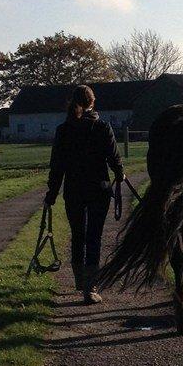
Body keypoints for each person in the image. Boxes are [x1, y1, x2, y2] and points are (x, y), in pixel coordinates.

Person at [45, 84, 124, 304]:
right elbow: (114, 158)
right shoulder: (102, 128)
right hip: (98, 189)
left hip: (73, 191)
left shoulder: (63, 130)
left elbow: (57, 166)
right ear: (92, 102)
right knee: (94, 237)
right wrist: (120, 174)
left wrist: (51, 193)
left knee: (78, 235)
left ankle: (81, 282)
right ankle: (91, 287)